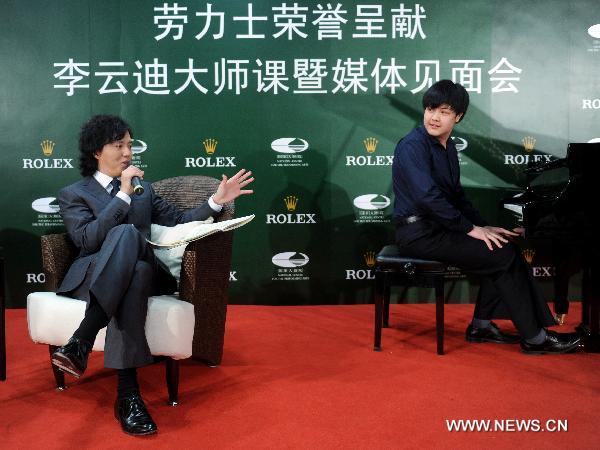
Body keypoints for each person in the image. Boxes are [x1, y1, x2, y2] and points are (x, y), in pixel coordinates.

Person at [51, 115, 254, 436]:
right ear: (95, 151)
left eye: (129, 145)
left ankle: (82, 339)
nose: (128, 153)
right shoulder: (74, 193)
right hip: (95, 276)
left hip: (143, 273)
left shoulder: (145, 191)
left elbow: (181, 219)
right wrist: (122, 196)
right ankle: (128, 396)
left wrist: (217, 201)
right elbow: (86, 240)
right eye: (118, 145)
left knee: (131, 239)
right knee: (135, 259)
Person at [392, 80, 583, 355]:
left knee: (501, 246)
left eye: (444, 111)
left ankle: (482, 326)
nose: (434, 117)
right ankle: (535, 338)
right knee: (501, 256)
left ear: (458, 117)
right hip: (418, 234)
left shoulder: (448, 150)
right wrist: (469, 229)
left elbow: (457, 198)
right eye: (431, 108)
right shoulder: (413, 146)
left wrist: (483, 227)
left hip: (439, 229)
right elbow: (427, 197)